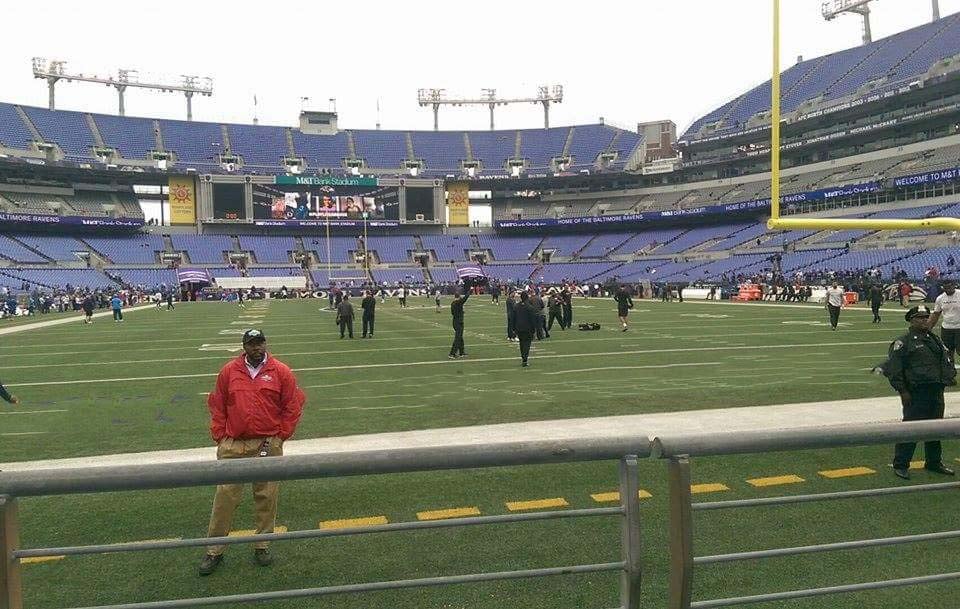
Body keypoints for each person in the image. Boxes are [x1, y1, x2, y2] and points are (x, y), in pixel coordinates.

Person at [199, 329, 306, 575]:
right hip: (234, 444)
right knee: (225, 498)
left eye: (260, 343)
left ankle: (262, 544)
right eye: (251, 344)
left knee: (266, 496)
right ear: (244, 346)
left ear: (265, 344)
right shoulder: (229, 371)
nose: (257, 348)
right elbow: (218, 404)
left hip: (267, 442)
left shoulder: (281, 371)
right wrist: (220, 436)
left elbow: (292, 405)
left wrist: (280, 436)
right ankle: (214, 550)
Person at [882, 306, 957, 480]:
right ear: (911, 321)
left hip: (936, 390)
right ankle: (901, 464)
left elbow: (945, 360)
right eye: (920, 318)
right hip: (916, 392)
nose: (924, 320)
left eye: (926, 317)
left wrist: (948, 377)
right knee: (911, 429)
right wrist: (902, 391)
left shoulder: (934, 339)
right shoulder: (904, 342)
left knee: (936, 429)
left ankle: (934, 461)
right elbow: (894, 369)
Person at [928, 279, 959, 366]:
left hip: (959, 327)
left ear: (954, 286)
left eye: (949, 287)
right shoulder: (940, 298)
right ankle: (950, 370)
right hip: (946, 328)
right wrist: (928, 328)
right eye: (945, 288)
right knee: (947, 352)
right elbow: (936, 314)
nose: (947, 290)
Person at [514, 292, 540, 367]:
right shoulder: (530, 307)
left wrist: (514, 328)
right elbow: (532, 320)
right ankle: (525, 359)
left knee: (521, 344)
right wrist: (534, 329)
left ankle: (523, 357)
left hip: (519, 328)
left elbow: (514, 318)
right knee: (527, 344)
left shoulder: (516, 306)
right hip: (527, 329)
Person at [448, 288, 470, 359]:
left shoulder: (453, 303)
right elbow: (465, 299)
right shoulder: (458, 303)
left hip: (455, 321)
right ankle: (452, 353)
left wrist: (461, 312)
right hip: (458, 322)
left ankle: (461, 352)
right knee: (457, 338)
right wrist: (470, 291)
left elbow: (453, 312)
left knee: (460, 338)